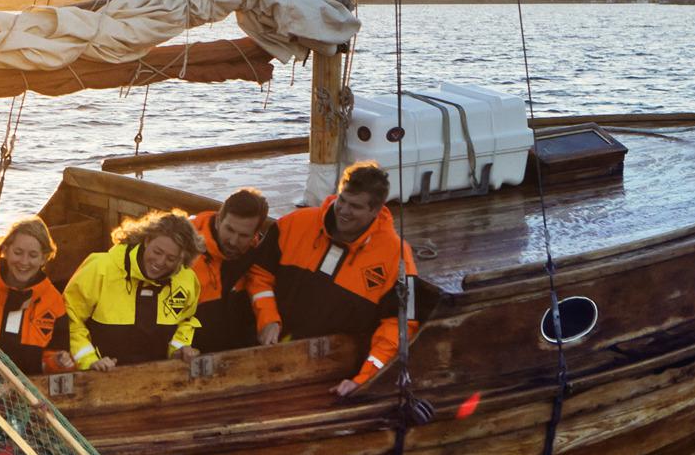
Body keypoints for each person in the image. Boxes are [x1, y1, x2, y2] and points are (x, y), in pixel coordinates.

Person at [269, 161, 427, 398]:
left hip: (333, 367)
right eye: (341, 200)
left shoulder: (397, 256)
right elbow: (258, 274)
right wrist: (267, 318)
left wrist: (365, 379)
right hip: (273, 347)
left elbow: (400, 325)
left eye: (355, 206)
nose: (343, 210)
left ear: (375, 210)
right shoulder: (295, 224)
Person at [62, 209, 204, 371]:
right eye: (157, 252)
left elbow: (186, 321)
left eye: (171, 258)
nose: (160, 262)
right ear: (147, 240)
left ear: (182, 258)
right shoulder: (100, 268)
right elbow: (71, 319)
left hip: (160, 374)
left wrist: (178, 350)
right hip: (102, 374)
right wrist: (89, 361)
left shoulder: (186, 280)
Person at [0, 216, 74, 375]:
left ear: (43, 258)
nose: (24, 262)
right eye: (18, 252)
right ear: (5, 250)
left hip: (31, 388)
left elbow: (55, 360)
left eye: (33, 255)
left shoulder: (53, 303)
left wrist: (58, 361)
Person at [189, 188, 282, 352]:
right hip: (189, 352)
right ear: (218, 221)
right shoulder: (187, 249)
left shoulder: (254, 252)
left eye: (243, 235)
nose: (233, 241)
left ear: (255, 234)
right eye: (229, 230)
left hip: (234, 351)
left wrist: (269, 322)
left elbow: (259, 285)